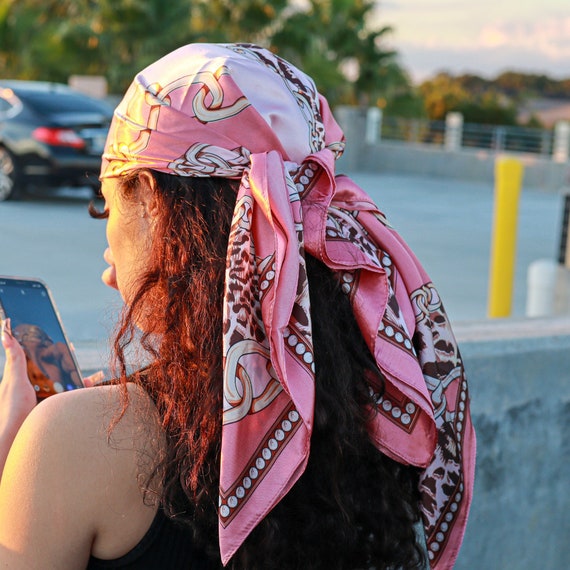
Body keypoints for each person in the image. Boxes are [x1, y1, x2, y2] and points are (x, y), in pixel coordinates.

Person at [0, 43, 475, 569]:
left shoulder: (76, 444)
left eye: (104, 208)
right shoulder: (378, 406)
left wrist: (18, 462)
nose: (108, 256)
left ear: (154, 206)